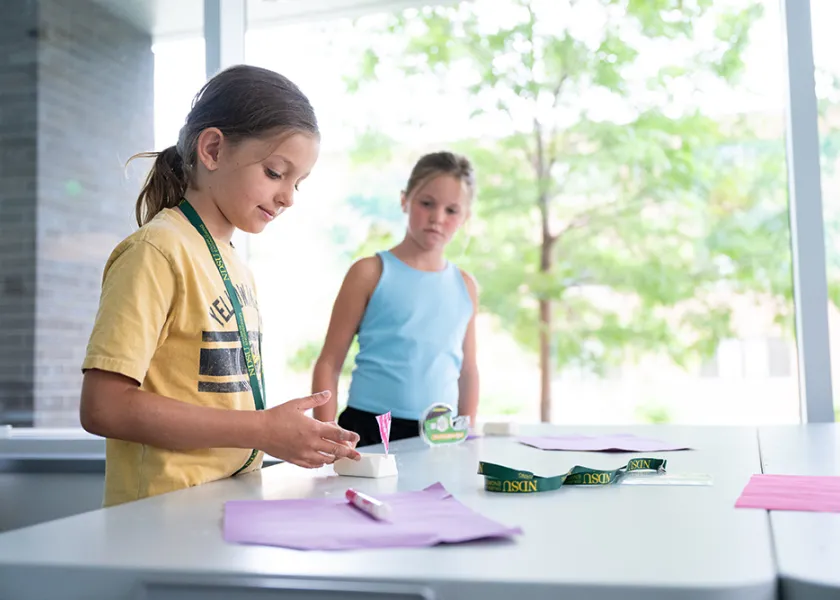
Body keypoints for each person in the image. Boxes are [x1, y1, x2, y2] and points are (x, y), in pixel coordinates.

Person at [80, 64, 360, 508]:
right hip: (161, 516)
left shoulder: (235, 266)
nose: (288, 196)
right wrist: (262, 429)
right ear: (212, 149)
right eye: (275, 172)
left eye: (297, 183)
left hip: (226, 504)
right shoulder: (157, 251)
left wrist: (279, 433)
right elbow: (103, 407)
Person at [312, 151, 480, 446]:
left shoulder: (465, 286)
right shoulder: (369, 272)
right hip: (368, 428)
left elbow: (468, 370)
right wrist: (326, 436)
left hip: (442, 433)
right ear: (405, 200)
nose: (437, 218)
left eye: (452, 210)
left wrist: (467, 433)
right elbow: (329, 362)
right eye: (426, 203)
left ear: (465, 217)